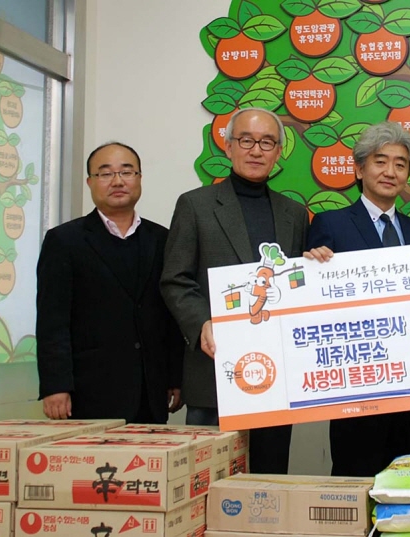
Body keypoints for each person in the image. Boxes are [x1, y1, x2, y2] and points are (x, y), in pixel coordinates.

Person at [160, 107, 308, 474]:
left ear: (278, 152)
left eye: (267, 142)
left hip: (275, 378)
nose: (256, 150)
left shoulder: (293, 213)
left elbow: (297, 284)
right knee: (207, 481)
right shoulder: (195, 205)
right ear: (228, 147)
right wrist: (201, 323)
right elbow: (175, 278)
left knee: (268, 481)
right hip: (214, 370)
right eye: (246, 140)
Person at [305, 121, 410, 477]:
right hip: (355, 383)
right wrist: (311, 267)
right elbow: (313, 303)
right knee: (354, 478)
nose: (390, 172)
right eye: (380, 161)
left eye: (400, 164)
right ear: (360, 169)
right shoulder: (330, 224)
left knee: (405, 477)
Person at [36, 142, 183, 424]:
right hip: (89, 392)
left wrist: (175, 377)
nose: (117, 181)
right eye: (105, 173)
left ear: (139, 179)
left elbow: (170, 316)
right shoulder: (64, 241)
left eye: (127, 172)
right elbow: (52, 321)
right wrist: (56, 385)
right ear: (90, 182)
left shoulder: (162, 239)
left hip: (150, 390)